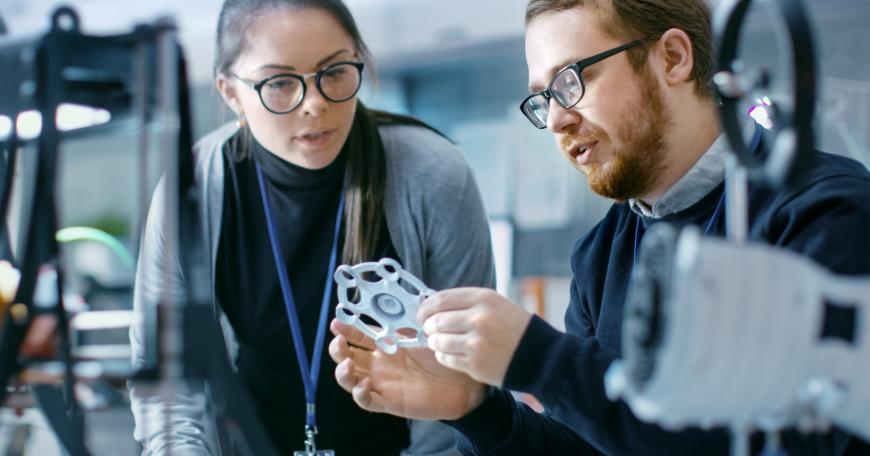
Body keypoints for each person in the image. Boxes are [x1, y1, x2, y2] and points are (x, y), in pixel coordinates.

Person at [329, 0, 870, 455]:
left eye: (571, 80)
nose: (557, 119)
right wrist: (475, 408)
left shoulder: (824, 212)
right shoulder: (602, 252)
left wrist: (541, 360)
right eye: (543, 98)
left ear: (674, 58)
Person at [128, 0, 495, 454]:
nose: (315, 104)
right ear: (230, 92)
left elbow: (464, 372)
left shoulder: (432, 175)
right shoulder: (194, 188)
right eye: (280, 82)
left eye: (335, 72)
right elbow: (166, 379)